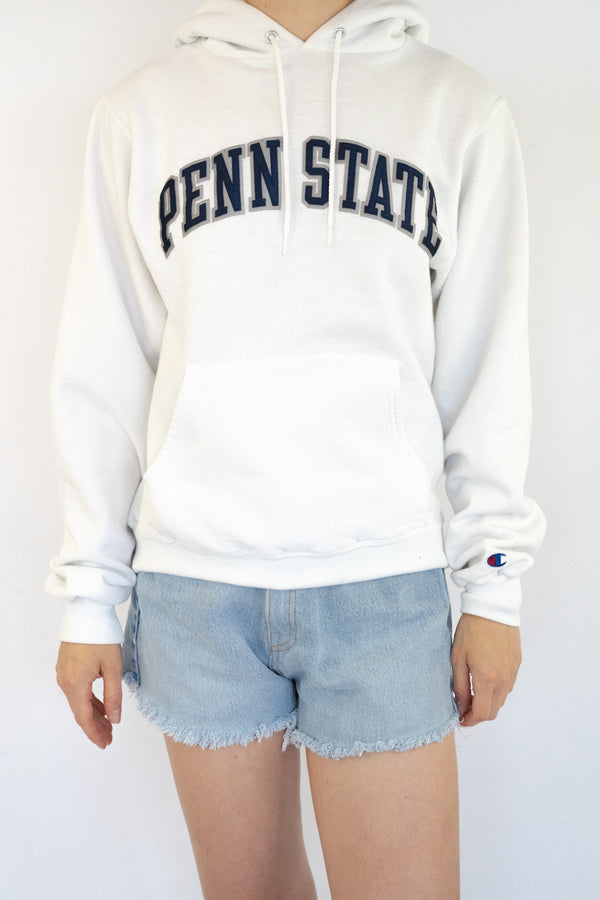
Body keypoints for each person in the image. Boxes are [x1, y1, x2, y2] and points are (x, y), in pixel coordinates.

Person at [45, 0, 547, 896]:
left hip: (382, 583)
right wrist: (88, 600)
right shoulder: (142, 112)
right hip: (197, 593)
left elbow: (489, 365)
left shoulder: (457, 108)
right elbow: (104, 366)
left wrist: (495, 585)